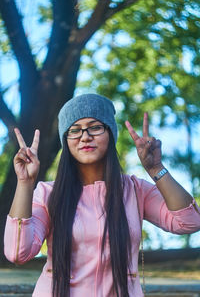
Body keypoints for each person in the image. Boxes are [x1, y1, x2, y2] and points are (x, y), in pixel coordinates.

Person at [4, 93, 200, 297]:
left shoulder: (135, 190)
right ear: (66, 141)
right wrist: (25, 182)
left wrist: (156, 168)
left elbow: (190, 221)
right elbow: (18, 252)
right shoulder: (47, 194)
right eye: (74, 130)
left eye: (95, 127)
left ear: (110, 134)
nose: (85, 136)